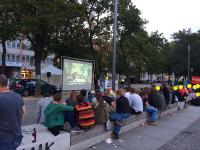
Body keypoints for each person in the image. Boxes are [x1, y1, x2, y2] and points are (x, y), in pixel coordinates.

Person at [0, 74, 26, 150]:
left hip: (4, 139)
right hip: (17, 136)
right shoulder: (18, 96)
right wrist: (16, 124)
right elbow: (24, 112)